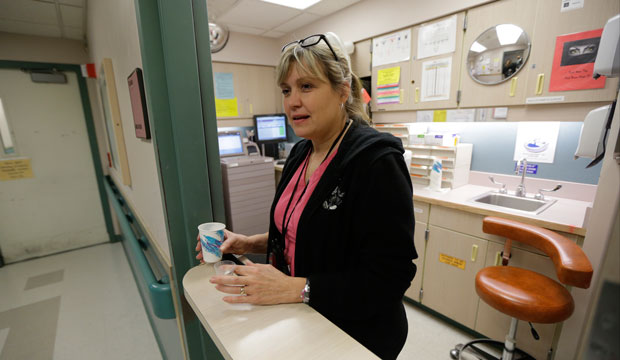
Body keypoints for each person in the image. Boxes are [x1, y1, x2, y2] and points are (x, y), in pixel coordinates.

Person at [197, 32, 417, 359]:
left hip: (357, 333)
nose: (292, 102)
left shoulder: (376, 163)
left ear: (343, 90)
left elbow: (390, 278)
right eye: (286, 90)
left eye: (306, 87)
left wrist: (297, 287)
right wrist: (246, 243)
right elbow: (301, 233)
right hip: (306, 315)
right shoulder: (301, 153)